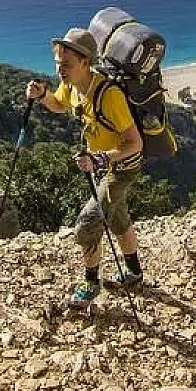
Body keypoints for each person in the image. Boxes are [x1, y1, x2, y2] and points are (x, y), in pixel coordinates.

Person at [25, 28, 146, 310]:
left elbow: (135, 143)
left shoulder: (109, 95)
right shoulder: (72, 85)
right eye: (57, 63)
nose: (60, 70)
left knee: (88, 224)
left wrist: (100, 159)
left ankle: (91, 284)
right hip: (105, 166)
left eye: (66, 64)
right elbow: (59, 104)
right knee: (116, 217)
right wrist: (43, 95)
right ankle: (134, 273)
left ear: (85, 62)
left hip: (123, 167)